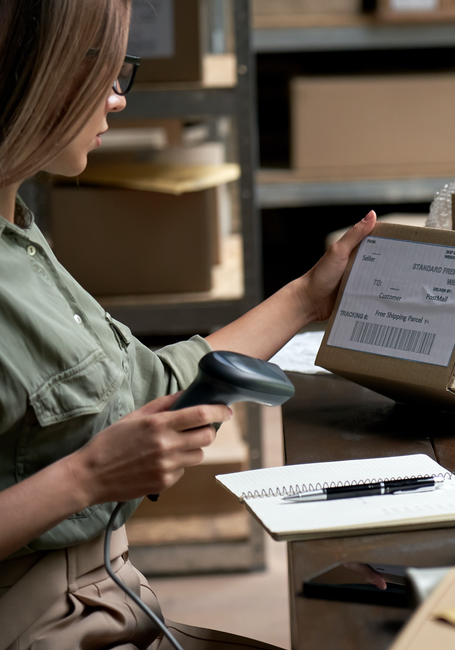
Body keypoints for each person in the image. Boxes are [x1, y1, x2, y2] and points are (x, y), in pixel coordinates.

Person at [0, 1, 377, 647]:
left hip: (107, 599)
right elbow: (97, 450)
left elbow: (143, 384)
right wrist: (87, 477)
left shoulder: (20, 236)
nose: (117, 99)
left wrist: (309, 298)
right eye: (101, 71)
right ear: (30, 73)